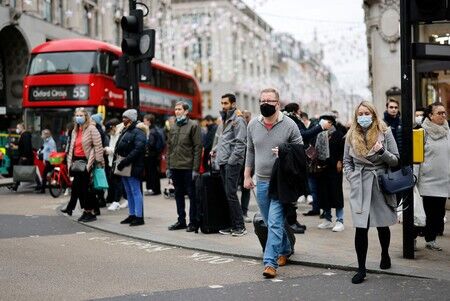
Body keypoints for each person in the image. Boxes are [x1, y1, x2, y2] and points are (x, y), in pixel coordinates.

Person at [244, 88, 303, 278]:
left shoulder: (290, 125)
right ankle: (285, 248)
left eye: (269, 101)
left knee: (276, 222)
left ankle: (270, 263)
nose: (265, 104)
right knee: (270, 222)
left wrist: (285, 152)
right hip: (260, 181)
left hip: (281, 182)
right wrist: (247, 176)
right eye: (262, 100)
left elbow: (300, 151)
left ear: (278, 104)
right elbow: (250, 151)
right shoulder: (253, 124)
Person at [343, 101, 399, 284]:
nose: (363, 116)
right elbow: (346, 162)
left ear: (373, 114)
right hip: (360, 184)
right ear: (356, 116)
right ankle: (361, 268)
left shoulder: (385, 131)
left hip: (379, 182)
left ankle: (385, 254)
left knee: (383, 224)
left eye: (366, 113)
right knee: (361, 228)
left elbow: (396, 160)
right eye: (360, 113)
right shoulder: (350, 134)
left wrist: (381, 151)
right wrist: (352, 177)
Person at [211, 94, 247, 237]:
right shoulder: (225, 120)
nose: (223, 106)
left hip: (231, 163)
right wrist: (215, 152)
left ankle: (240, 226)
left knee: (231, 194)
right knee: (228, 194)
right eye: (222, 103)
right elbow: (223, 141)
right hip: (223, 161)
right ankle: (232, 225)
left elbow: (240, 143)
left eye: (226, 103)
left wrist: (231, 160)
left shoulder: (238, 120)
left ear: (233, 104)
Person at [416, 102, 449, 251]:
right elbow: (416, 158)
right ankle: (414, 238)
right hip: (426, 181)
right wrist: (414, 178)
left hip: (443, 180)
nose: (443, 115)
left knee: (438, 214)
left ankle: (431, 240)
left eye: (444, 113)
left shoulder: (447, 130)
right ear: (430, 115)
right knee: (423, 214)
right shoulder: (420, 132)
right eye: (439, 113)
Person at [61, 108, 104, 222]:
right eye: (77, 115)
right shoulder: (75, 130)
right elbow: (72, 147)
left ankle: (90, 213)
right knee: (78, 188)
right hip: (77, 162)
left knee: (86, 189)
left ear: (86, 117)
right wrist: (69, 162)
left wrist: (99, 162)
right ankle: (86, 211)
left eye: (81, 115)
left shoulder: (92, 129)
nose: (79, 117)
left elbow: (98, 146)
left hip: (87, 162)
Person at [167, 102, 202, 232]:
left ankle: (193, 222)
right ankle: (181, 221)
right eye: (175, 109)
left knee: (192, 196)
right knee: (178, 195)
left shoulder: (193, 125)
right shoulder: (173, 126)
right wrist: (169, 167)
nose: (177, 111)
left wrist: (195, 169)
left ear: (186, 111)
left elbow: (198, 148)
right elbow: (169, 148)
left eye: (179, 109)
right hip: (175, 167)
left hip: (188, 167)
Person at [114, 109, 147, 226]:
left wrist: (125, 161)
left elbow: (138, 150)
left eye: (125, 117)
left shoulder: (139, 132)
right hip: (124, 165)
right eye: (123, 117)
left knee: (135, 191)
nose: (123, 120)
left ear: (132, 119)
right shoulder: (126, 130)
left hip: (133, 166)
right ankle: (132, 214)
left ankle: (139, 217)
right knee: (128, 192)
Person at [313, 114, 345, 232]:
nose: (321, 124)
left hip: (334, 169)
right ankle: (327, 219)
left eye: (324, 121)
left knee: (336, 194)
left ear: (331, 123)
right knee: (324, 194)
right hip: (322, 168)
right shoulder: (320, 134)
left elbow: (343, 150)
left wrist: (340, 161)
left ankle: (340, 220)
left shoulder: (338, 135)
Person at [104, 119, 127, 211]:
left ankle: (117, 201)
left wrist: (107, 149)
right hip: (112, 162)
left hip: (117, 162)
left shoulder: (120, 135)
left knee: (118, 183)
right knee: (117, 182)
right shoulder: (114, 135)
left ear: (113, 127)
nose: (109, 133)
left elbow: (118, 149)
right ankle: (124, 200)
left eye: (109, 131)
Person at [143, 114, 163, 196]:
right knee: (153, 172)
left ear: (149, 121)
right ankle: (153, 189)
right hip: (154, 155)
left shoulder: (152, 131)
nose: (144, 122)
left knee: (152, 173)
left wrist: (144, 143)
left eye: (145, 121)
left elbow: (151, 144)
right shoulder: (154, 130)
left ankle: (153, 189)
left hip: (151, 155)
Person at [11, 123, 34, 191]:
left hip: (26, 156)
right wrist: (15, 145)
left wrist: (25, 156)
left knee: (19, 170)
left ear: (22, 127)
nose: (17, 129)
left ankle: (15, 186)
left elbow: (27, 146)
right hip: (25, 156)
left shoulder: (25, 135)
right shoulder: (22, 135)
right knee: (22, 170)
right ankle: (15, 186)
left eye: (18, 128)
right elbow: (22, 145)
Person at [240, 110, 252, 223]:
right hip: (237, 163)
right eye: (244, 117)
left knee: (246, 189)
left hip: (247, 165)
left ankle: (244, 212)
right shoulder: (239, 128)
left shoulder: (252, 129)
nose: (246, 119)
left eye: (247, 117)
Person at [38, 129, 56, 194]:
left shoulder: (51, 142)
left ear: (46, 135)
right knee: (46, 174)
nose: (41, 136)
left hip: (50, 161)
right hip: (47, 160)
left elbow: (53, 152)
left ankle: (43, 189)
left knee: (45, 174)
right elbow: (45, 150)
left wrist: (48, 160)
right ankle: (43, 188)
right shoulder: (46, 141)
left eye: (42, 134)